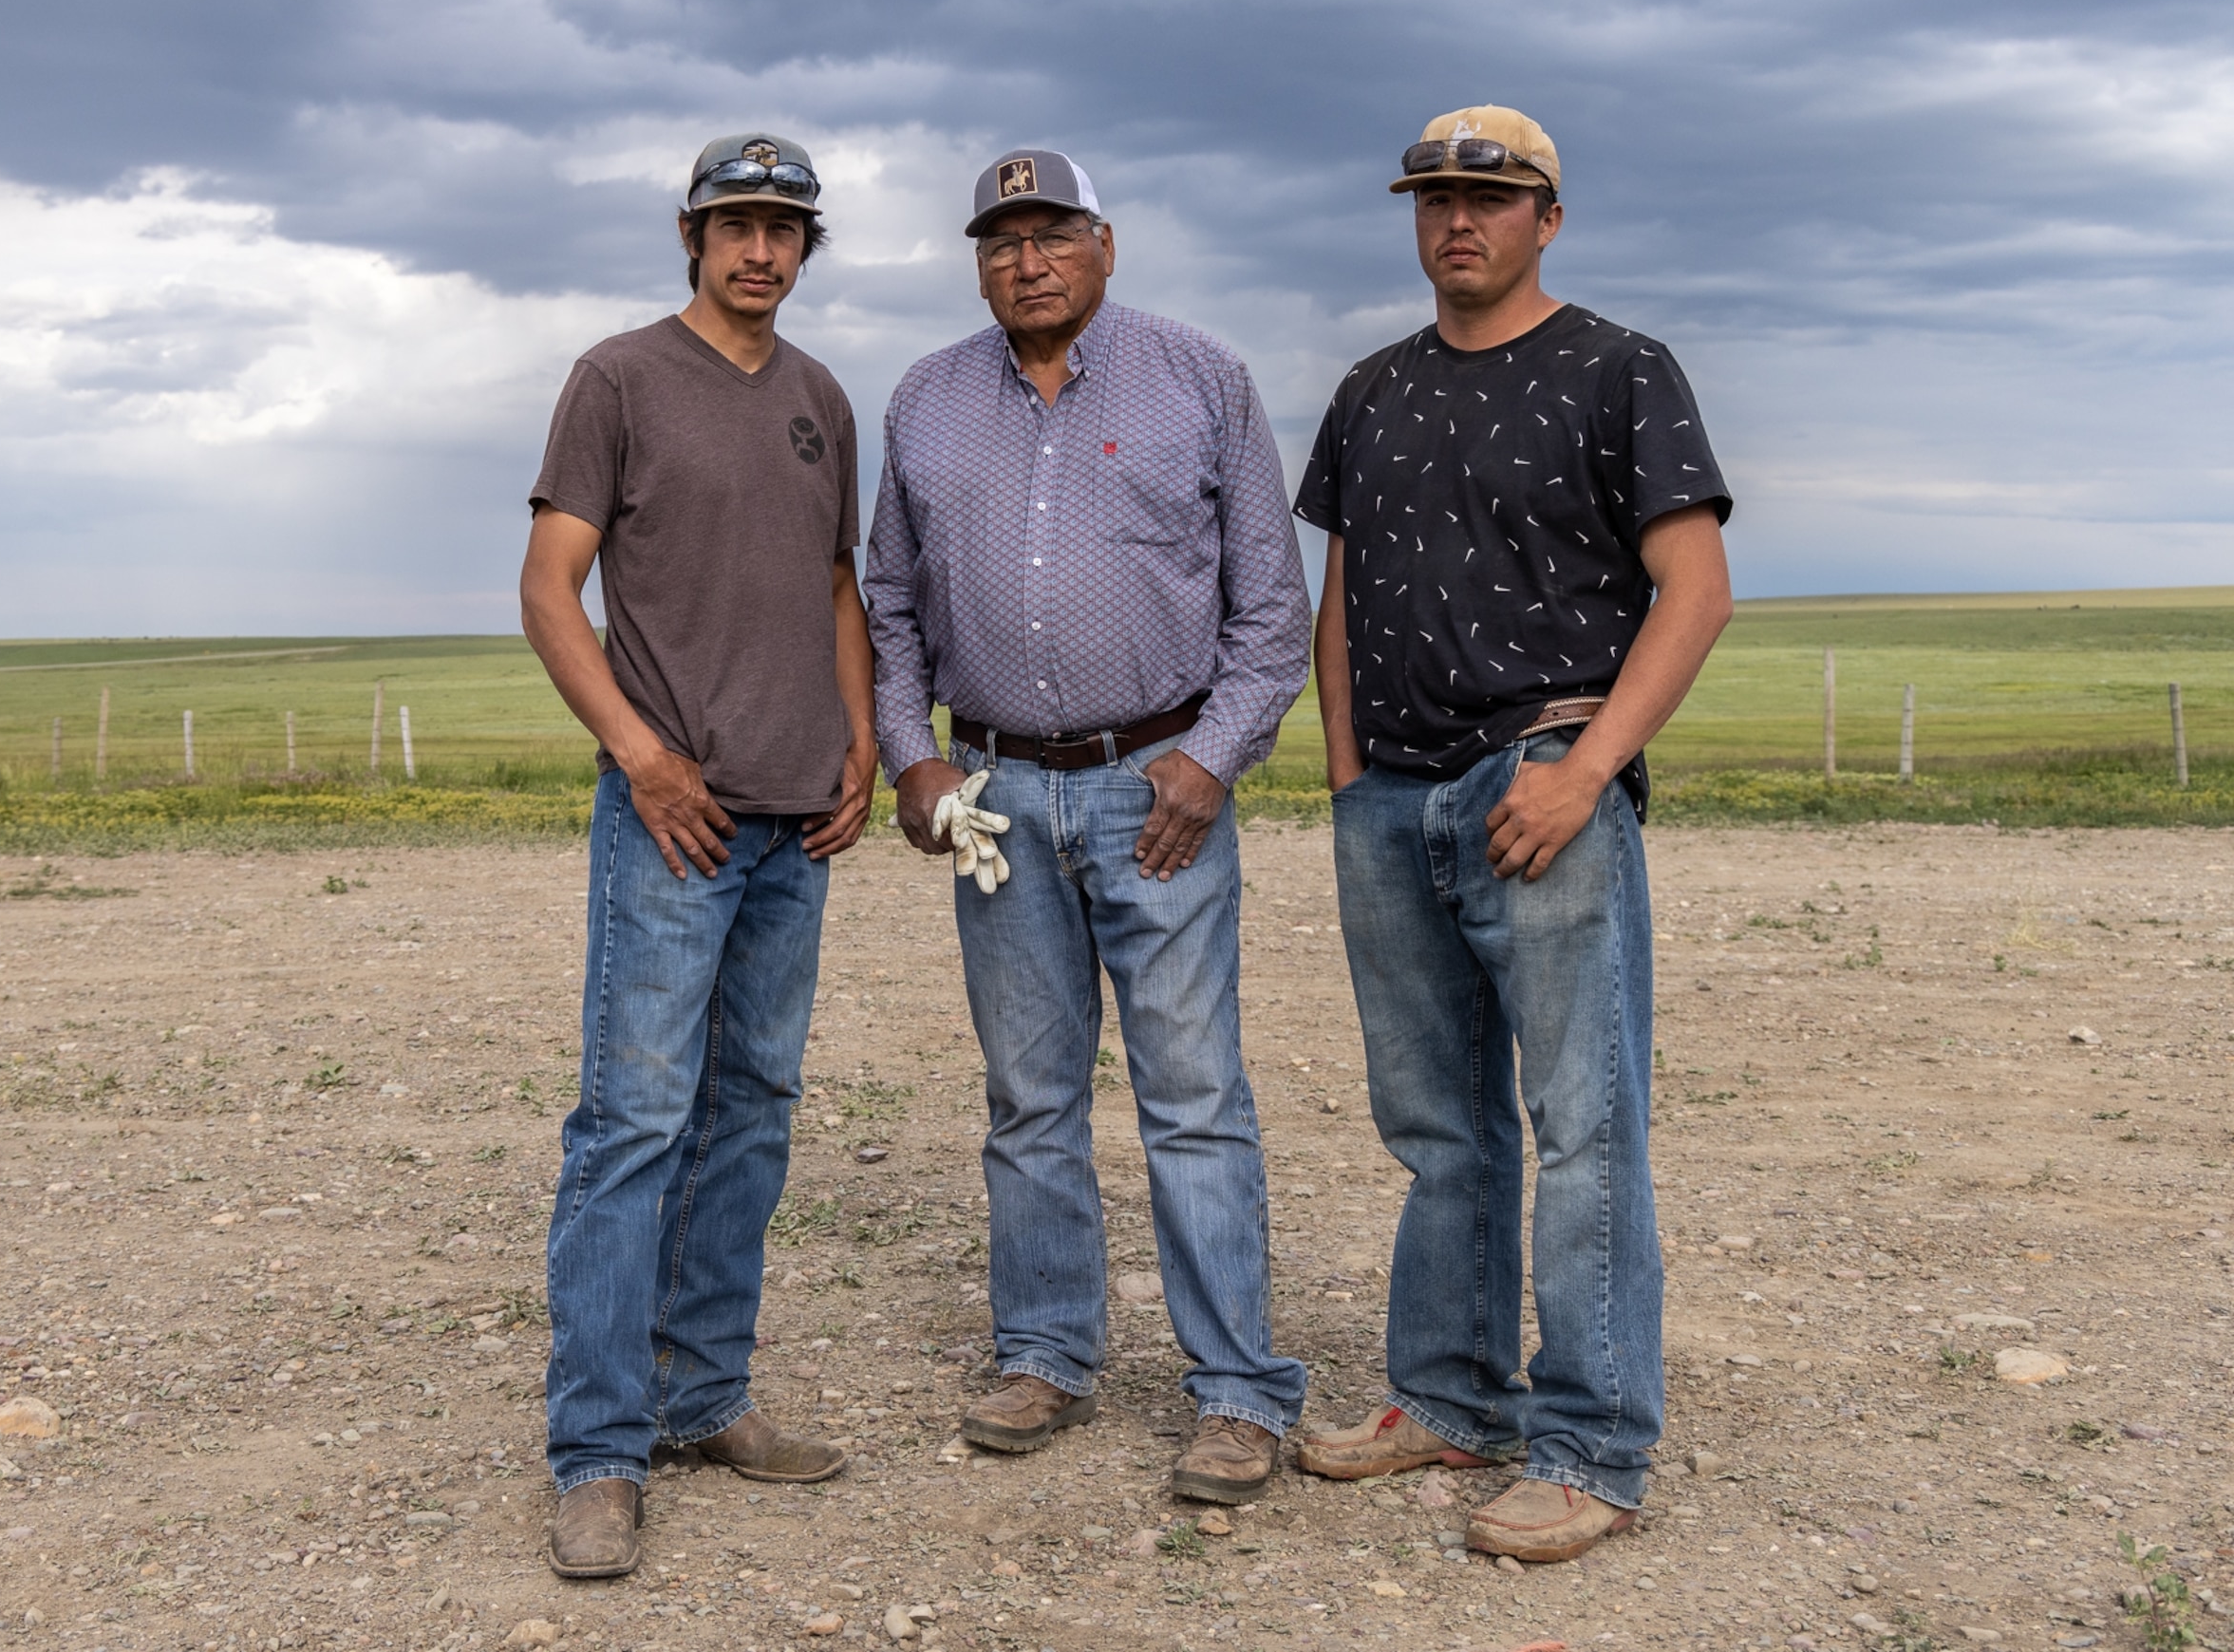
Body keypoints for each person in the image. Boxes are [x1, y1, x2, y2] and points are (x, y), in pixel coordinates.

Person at [1287, 107, 1734, 1565]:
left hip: (1540, 775)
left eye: (1489, 196)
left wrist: (1586, 770)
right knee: (1437, 1124)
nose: (1457, 219)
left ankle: (1592, 1444)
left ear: (1549, 216)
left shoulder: (1619, 370)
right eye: (1434, 197)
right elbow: (1343, 588)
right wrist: (1349, 776)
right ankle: (1449, 1395)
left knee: (1584, 1124)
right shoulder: (1370, 390)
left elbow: (1696, 589)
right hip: (1392, 797)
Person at [864, 146, 1316, 1504]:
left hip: (1156, 788)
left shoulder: (1202, 378)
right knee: (1030, 1095)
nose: (1028, 260)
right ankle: (1047, 1353)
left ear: (1105, 245)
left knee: (1193, 1094)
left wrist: (1212, 761)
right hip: (996, 793)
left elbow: (1271, 610)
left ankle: (1236, 1389)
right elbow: (893, 605)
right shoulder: (926, 398)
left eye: (1054, 233)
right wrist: (911, 758)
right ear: (978, 264)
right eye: (1002, 241)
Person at [518, 133, 878, 1580]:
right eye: (737, 225)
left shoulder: (820, 399)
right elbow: (551, 588)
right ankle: (599, 1449)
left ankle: (703, 1392)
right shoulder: (618, 378)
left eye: (786, 229)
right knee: (635, 1123)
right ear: (692, 235)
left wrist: (859, 736)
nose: (762, 250)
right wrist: (639, 751)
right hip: (676, 817)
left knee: (754, 1112)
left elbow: (838, 585)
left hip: (798, 821)